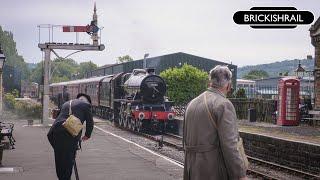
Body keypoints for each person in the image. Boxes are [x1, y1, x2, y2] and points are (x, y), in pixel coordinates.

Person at [183, 65, 248, 180]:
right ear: (228, 85)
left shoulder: (192, 103)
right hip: (212, 171)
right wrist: (240, 175)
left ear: (210, 82)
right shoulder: (223, 104)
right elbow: (230, 145)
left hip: (191, 170)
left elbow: (184, 140)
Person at [47, 93, 94, 180]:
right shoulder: (86, 106)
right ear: (88, 102)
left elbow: (58, 117)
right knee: (68, 161)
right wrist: (87, 135)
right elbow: (90, 123)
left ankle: (61, 178)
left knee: (60, 159)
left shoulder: (66, 103)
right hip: (68, 134)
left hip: (54, 133)